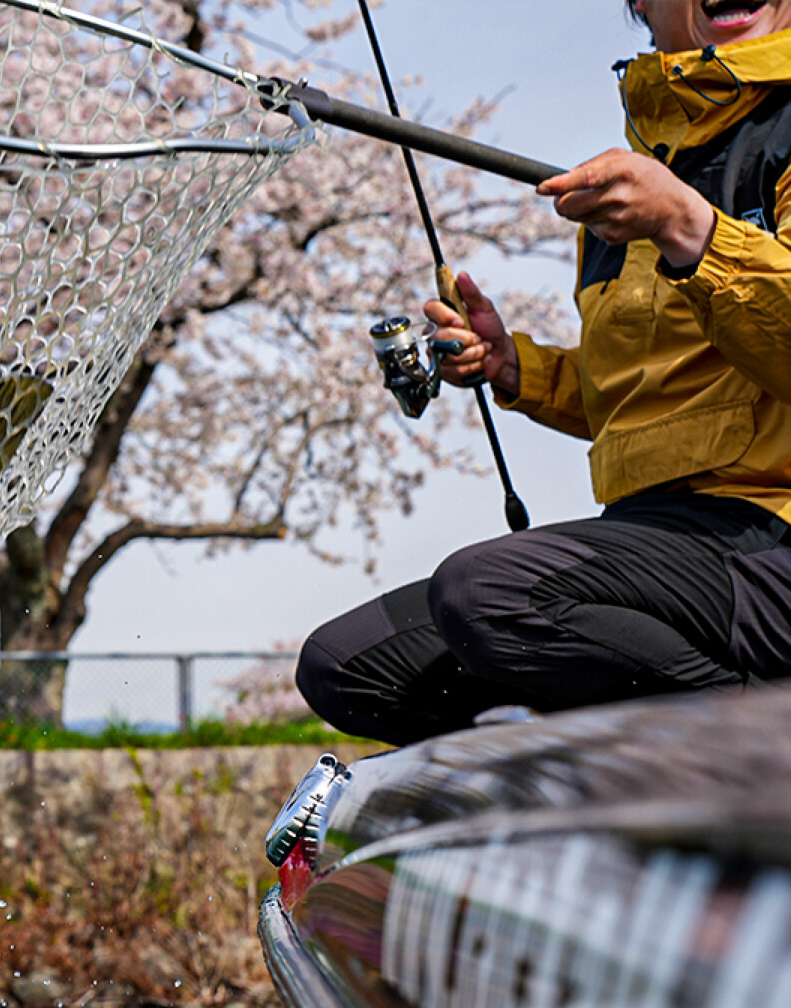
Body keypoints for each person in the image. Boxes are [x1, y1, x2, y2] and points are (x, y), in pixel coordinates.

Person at [296, 0, 791, 747]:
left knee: (488, 594)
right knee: (347, 667)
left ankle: (754, 745)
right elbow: (660, 395)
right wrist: (515, 367)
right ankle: (611, 779)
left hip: (769, 542)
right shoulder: (639, 179)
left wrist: (691, 229)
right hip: (662, 545)